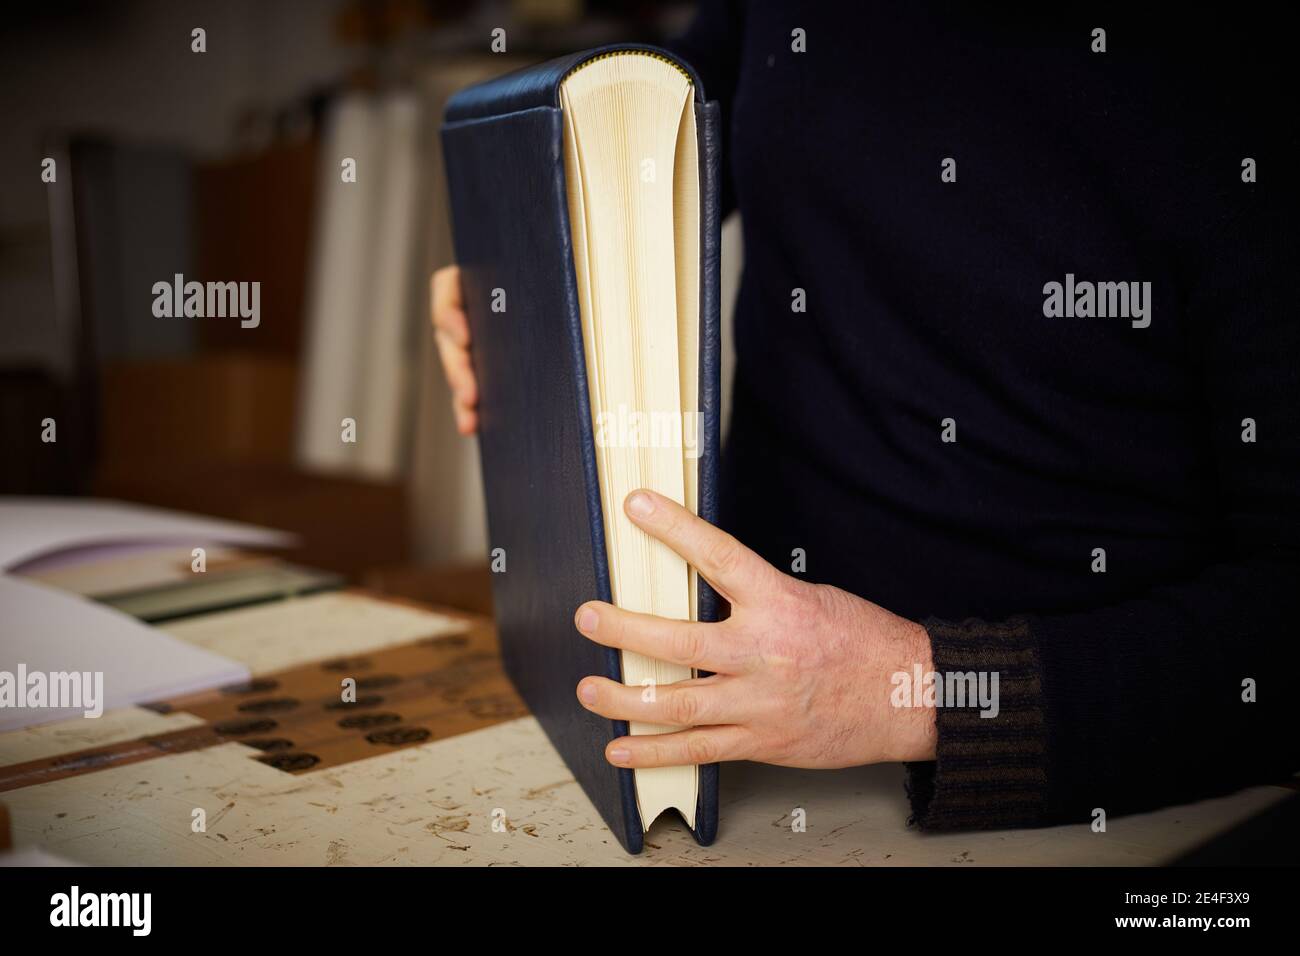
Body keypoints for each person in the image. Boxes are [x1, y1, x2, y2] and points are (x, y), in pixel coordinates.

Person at [431, 3, 1298, 830]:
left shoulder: (1244, 71)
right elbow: (648, 140)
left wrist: (919, 692)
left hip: (1091, 802)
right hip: (729, 756)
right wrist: (522, 269)